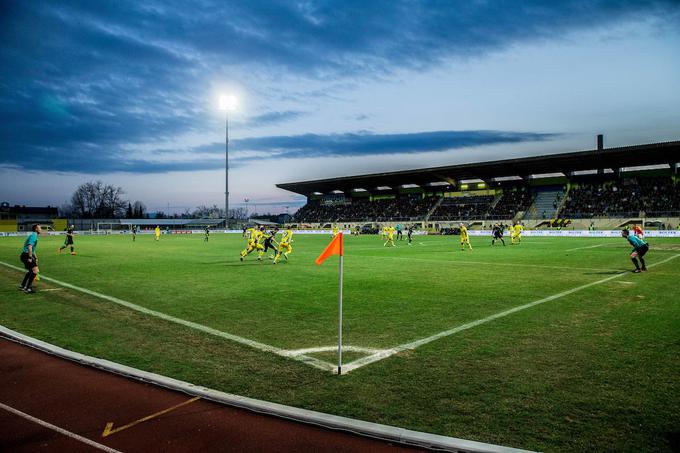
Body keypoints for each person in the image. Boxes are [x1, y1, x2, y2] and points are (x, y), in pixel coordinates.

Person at [19, 224, 41, 293]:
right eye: (39, 228)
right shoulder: (34, 235)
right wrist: (30, 257)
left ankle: (23, 285)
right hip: (26, 255)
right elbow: (29, 247)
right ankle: (28, 288)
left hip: (24, 255)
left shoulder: (33, 235)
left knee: (30, 271)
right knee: (35, 271)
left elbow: (33, 249)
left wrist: (36, 257)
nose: (41, 229)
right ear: (36, 229)